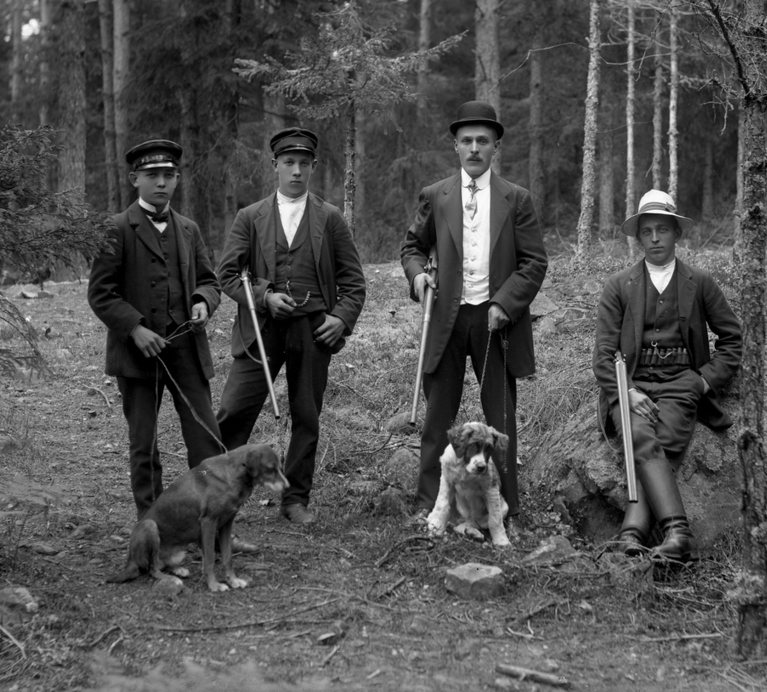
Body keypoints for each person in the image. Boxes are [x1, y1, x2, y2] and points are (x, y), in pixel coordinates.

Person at [401, 100, 549, 531]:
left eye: (483, 141)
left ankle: (505, 509)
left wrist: (505, 302)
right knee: (437, 418)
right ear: (455, 146)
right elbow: (412, 248)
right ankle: (431, 506)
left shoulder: (516, 199)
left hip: (495, 321)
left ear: (495, 146)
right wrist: (417, 276)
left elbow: (534, 262)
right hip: (446, 320)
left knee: (500, 420)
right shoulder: (435, 195)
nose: (474, 149)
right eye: (466, 141)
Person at [216, 127, 366, 526]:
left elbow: (354, 283)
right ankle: (216, 492)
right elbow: (227, 275)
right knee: (233, 410)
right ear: (275, 166)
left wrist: (340, 319)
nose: (296, 171)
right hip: (260, 330)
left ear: (313, 167)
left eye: (303, 163)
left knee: (306, 415)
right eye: (288, 163)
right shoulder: (250, 217)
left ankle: (295, 499)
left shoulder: (330, 218)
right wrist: (264, 296)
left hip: (312, 332)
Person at [593, 189, 742, 563]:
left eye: (662, 229)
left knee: (666, 442)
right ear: (638, 237)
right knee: (640, 435)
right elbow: (604, 356)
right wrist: (627, 392)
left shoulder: (700, 282)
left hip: (681, 384)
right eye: (647, 231)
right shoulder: (619, 285)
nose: (655, 238)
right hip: (632, 383)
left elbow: (732, 339)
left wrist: (702, 381)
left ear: (677, 233)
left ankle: (632, 532)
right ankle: (678, 533)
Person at [88, 139, 225, 519]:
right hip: (138, 355)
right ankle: (152, 526)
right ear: (135, 179)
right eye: (152, 175)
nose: (161, 182)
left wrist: (203, 301)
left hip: (186, 349)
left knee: (206, 439)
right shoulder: (116, 228)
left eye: (168, 175)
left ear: (177, 178)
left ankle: (213, 523)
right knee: (144, 444)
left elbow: (209, 281)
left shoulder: (189, 229)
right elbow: (100, 293)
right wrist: (134, 328)